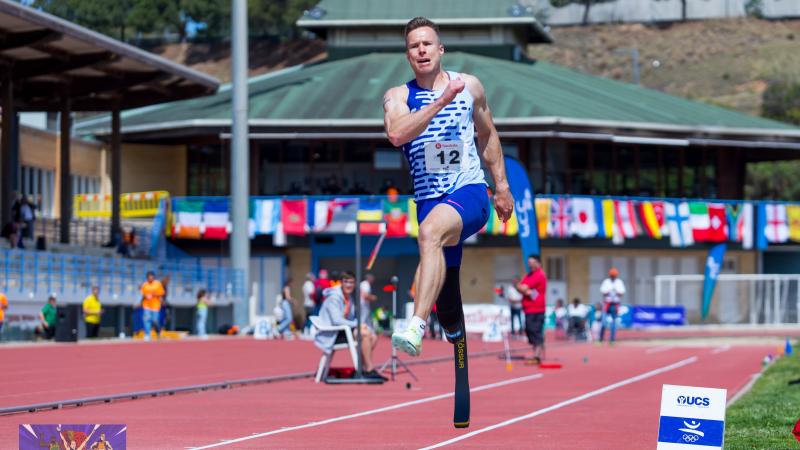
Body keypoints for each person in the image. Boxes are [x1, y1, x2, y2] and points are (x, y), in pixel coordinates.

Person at [386, 17, 513, 356]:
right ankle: (452, 323)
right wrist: (440, 102)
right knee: (446, 289)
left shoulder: (468, 85)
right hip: (430, 200)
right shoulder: (398, 96)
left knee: (429, 234)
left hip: (469, 192)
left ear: (440, 50)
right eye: (414, 46)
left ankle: (415, 326)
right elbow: (397, 134)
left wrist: (501, 187)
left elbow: (487, 134)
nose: (421, 49)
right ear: (408, 56)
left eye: (427, 43)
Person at [314, 271, 382, 379]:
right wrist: (357, 324)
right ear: (341, 283)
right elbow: (336, 320)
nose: (349, 285)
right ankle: (368, 369)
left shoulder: (348, 298)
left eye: (352, 282)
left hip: (343, 330)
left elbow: (349, 319)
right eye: (346, 282)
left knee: (372, 336)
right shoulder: (334, 298)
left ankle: (363, 368)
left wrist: (358, 325)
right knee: (363, 334)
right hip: (332, 334)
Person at [517, 255, 547, 363]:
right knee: (529, 330)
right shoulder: (528, 275)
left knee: (535, 331)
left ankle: (537, 355)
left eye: (531, 262)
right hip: (528, 308)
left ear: (538, 262)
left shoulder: (539, 275)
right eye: (528, 262)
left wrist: (523, 288)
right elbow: (520, 287)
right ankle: (537, 352)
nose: (529, 264)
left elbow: (523, 287)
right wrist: (522, 288)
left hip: (537, 309)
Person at [600, 267, 626, 344]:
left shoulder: (619, 282)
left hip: (615, 304)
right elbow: (603, 292)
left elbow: (621, 293)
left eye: (614, 275)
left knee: (614, 322)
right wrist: (609, 291)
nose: (613, 277)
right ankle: (600, 339)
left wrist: (615, 291)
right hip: (607, 303)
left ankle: (612, 340)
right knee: (604, 321)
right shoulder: (606, 282)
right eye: (612, 275)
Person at [140, 271, 165, 341]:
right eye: (149, 277)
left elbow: (162, 292)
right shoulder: (145, 285)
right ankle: (147, 334)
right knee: (146, 319)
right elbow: (142, 293)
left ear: (154, 277)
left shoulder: (157, 284)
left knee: (155, 320)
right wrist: (146, 296)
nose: (150, 278)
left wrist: (154, 294)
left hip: (155, 305)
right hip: (146, 305)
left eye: (151, 276)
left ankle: (158, 332)